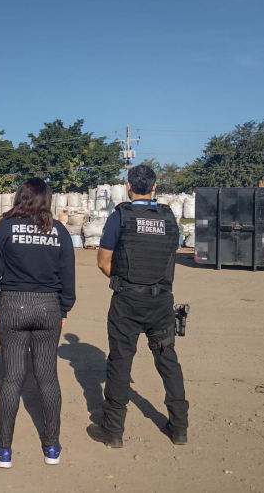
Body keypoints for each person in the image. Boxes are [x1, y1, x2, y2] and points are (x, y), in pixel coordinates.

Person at [86, 164, 189, 448]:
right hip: (161, 301)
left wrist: (125, 281)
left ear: (128, 187)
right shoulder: (169, 217)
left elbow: (103, 262)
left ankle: (113, 431)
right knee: (168, 360)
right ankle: (179, 428)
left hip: (127, 301)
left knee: (120, 362)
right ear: (155, 187)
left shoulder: (120, 216)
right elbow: (170, 255)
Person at [0, 178, 76, 468]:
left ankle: (5, 451)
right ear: (47, 200)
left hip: (12, 304)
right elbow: (68, 275)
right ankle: (52, 448)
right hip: (48, 306)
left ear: (20, 197)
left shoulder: (5, 227)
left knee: (12, 379)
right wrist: (63, 308)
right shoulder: (58, 231)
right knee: (47, 377)